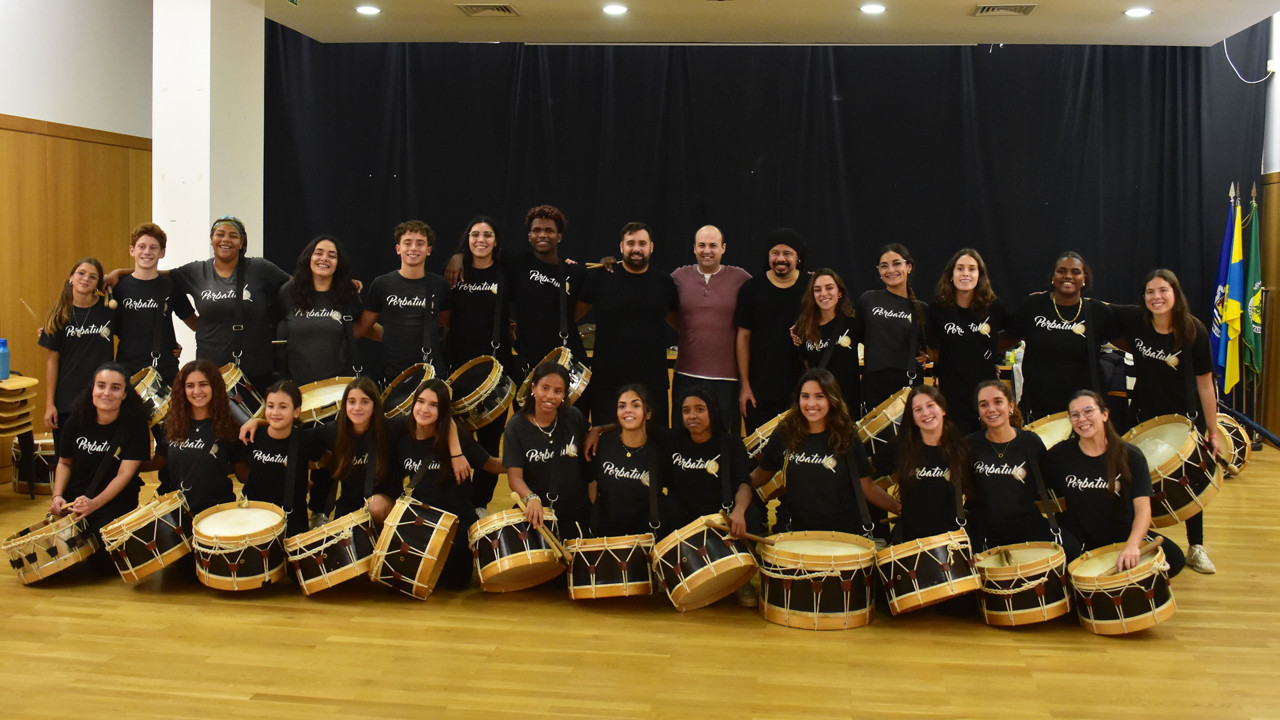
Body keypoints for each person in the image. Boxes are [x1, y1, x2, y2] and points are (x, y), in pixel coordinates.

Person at [1110, 269, 1218, 573]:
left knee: (1190, 483)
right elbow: (1098, 308)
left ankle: (1196, 546)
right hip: (1143, 416)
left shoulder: (1193, 331)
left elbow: (1206, 384)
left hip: (1183, 419)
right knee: (1134, 481)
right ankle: (1134, 539)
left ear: (1175, 294)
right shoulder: (1136, 321)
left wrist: (1213, 430)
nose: (1156, 297)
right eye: (1150, 292)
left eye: (1162, 291)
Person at [1043, 391, 1185, 576]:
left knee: (1175, 558)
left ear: (1104, 414)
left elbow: (1143, 510)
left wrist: (1132, 546)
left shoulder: (1131, 456)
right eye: (1075, 415)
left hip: (1120, 532)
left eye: (1088, 411)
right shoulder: (1060, 454)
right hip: (1078, 534)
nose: (1082, 419)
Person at [750, 369, 899, 536]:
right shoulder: (785, 432)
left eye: (819, 396)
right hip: (799, 534)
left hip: (844, 535)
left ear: (832, 399)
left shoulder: (847, 434)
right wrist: (731, 491)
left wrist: (900, 509)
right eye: (805, 396)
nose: (811, 403)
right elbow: (760, 475)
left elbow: (867, 487)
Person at [394, 379, 503, 589]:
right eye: (421, 401)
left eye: (434, 405)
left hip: (456, 520)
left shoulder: (459, 438)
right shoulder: (401, 435)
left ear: (443, 411)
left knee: (455, 583)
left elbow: (490, 464)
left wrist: (524, 462)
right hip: (422, 520)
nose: (424, 409)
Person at [163, 217, 290, 393]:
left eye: (233, 235)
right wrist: (118, 274)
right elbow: (156, 278)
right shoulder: (197, 271)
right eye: (220, 234)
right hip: (210, 371)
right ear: (212, 239)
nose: (226, 240)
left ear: (242, 242)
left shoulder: (260, 268)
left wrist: (272, 319)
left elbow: (295, 287)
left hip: (256, 372)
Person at [443, 216, 515, 516]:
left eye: (488, 234)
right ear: (467, 238)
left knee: (489, 439)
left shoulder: (507, 272)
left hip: (497, 369)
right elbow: (444, 318)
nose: (481, 240)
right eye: (475, 235)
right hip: (459, 368)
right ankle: (457, 498)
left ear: (496, 241)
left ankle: (480, 503)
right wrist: (457, 256)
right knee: (457, 438)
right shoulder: (455, 272)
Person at [49, 363, 150, 574]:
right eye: (101, 386)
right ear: (92, 389)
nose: (106, 393)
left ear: (124, 394)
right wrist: (57, 496)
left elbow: (125, 474)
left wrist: (94, 504)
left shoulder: (135, 427)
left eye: (115, 388)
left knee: (102, 561)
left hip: (114, 501)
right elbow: (64, 463)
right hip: (76, 500)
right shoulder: (75, 422)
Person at [578, 222, 679, 425]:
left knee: (655, 448)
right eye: (630, 243)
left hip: (652, 383)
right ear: (621, 247)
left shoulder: (665, 282)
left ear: (651, 247)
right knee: (606, 446)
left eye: (642, 243)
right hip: (607, 382)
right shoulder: (601, 277)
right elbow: (575, 315)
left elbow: (679, 324)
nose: (636, 248)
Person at [1008, 251, 1114, 421]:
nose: (1068, 276)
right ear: (1053, 276)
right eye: (1062, 271)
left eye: (1076, 272)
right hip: (1038, 407)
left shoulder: (1097, 312)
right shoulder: (1032, 306)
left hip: (1082, 411)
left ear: (1084, 278)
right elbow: (1007, 337)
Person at [669, 225, 751, 432]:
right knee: (683, 438)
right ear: (694, 248)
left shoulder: (740, 278)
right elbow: (662, 307)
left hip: (727, 379)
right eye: (702, 245)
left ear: (723, 248)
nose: (707, 250)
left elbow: (768, 293)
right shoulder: (679, 277)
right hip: (686, 375)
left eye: (713, 245)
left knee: (724, 439)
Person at [502, 362, 592, 539]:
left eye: (558, 391)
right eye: (545, 388)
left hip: (576, 515)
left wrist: (596, 431)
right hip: (539, 516)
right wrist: (531, 498)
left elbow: (589, 464)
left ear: (564, 394)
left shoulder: (574, 417)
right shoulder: (516, 426)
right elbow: (514, 478)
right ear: (533, 388)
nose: (550, 396)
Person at [965, 380, 1058, 551]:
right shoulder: (970, 444)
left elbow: (1050, 484)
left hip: (1027, 532)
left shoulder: (1031, 442)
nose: (991, 409)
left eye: (998, 402)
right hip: (984, 534)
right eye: (983, 404)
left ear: (1011, 406)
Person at [355, 220, 451, 383]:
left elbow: (446, 322)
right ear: (398, 249)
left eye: (420, 243)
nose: (413, 248)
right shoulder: (382, 284)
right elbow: (363, 327)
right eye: (407, 243)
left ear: (428, 250)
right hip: (393, 373)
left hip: (431, 372)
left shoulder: (439, 284)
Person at [735, 228, 808, 434]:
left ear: (798, 258)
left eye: (787, 254)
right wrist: (745, 386)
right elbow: (743, 337)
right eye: (775, 253)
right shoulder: (751, 288)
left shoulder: (811, 287)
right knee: (759, 452)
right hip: (758, 390)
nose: (780, 259)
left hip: (800, 389)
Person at [928, 249, 1008, 435]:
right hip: (952, 395)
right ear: (951, 274)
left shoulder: (993, 306)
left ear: (979, 275)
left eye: (972, 269)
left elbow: (1014, 333)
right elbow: (931, 347)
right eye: (960, 268)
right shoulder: (938, 308)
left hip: (986, 393)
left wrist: (990, 352)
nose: (965, 273)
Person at [151, 360, 245, 518]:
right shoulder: (172, 423)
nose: (197, 391)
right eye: (190, 386)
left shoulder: (229, 426)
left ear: (214, 386)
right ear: (182, 390)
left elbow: (242, 474)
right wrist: (125, 462)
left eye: (203, 384)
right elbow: (159, 461)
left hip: (217, 514)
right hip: (178, 515)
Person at [41, 258, 115, 453]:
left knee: (96, 457)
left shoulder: (108, 310)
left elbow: (133, 337)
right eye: (81, 273)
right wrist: (50, 404)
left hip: (101, 398)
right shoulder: (58, 315)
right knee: (66, 458)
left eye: (93, 276)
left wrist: (170, 345)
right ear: (71, 278)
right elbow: (52, 361)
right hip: (67, 401)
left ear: (98, 283)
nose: (85, 279)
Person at [308, 377, 403, 526]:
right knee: (334, 539)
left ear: (375, 405)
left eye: (365, 402)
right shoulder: (334, 431)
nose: (357, 407)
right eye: (351, 401)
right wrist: (258, 421)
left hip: (383, 503)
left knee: (375, 506)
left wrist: (455, 452)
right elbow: (297, 437)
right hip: (349, 503)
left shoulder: (390, 428)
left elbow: (433, 421)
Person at [112, 223, 197, 386]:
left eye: (153, 248)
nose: (147, 252)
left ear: (162, 252)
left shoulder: (171, 286)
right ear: (132, 250)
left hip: (164, 371)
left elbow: (193, 322)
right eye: (141, 247)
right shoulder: (119, 287)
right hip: (127, 371)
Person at [240, 380, 326, 537]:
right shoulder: (254, 435)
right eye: (270, 406)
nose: (275, 412)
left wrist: (300, 477)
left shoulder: (304, 439)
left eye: (283, 407)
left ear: (296, 411)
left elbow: (326, 461)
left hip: (292, 520)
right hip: (255, 516)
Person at [276, 235, 365, 386]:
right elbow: (274, 322)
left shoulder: (348, 294)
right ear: (309, 257)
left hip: (338, 387)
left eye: (332, 256)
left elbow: (363, 325)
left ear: (338, 263)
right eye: (318, 253)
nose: (324, 258)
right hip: (296, 387)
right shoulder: (289, 291)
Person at [892, 385, 971, 543]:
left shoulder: (961, 448)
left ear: (943, 409)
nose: (926, 413)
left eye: (930, 405)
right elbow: (864, 480)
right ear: (912, 418)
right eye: (917, 409)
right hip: (910, 541)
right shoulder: (900, 446)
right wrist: (891, 505)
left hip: (951, 541)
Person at [855, 243, 928, 415]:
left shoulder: (922, 309)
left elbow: (935, 345)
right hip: (873, 385)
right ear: (879, 271)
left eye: (897, 263)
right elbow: (848, 332)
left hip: (908, 386)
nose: (890, 270)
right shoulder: (868, 300)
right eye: (884, 266)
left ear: (908, 267)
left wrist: (928, 355)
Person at [794, 269, 860, 405]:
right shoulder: (804, 326)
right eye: (817, 290)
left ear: (840, 292)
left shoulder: (854, 321)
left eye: (829, 288)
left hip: (847, 402)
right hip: (818, 403)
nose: (823, 293)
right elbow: (806, 366)